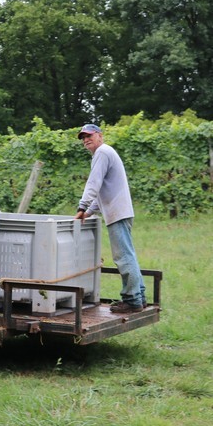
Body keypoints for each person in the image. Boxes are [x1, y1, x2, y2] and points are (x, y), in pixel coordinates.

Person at [75, 123, 147, 313]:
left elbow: (94, 183)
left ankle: (132, 300)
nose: (86, 140)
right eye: (83, 137)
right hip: (119, 211)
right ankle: (139, 296)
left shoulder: (102, 153)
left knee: (123, 256)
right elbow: (101, 192)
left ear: (100, 135)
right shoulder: (105, 153)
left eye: (89, 135)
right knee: (128, 254)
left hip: (117, 213)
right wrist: (88, 212)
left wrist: (82, 206)